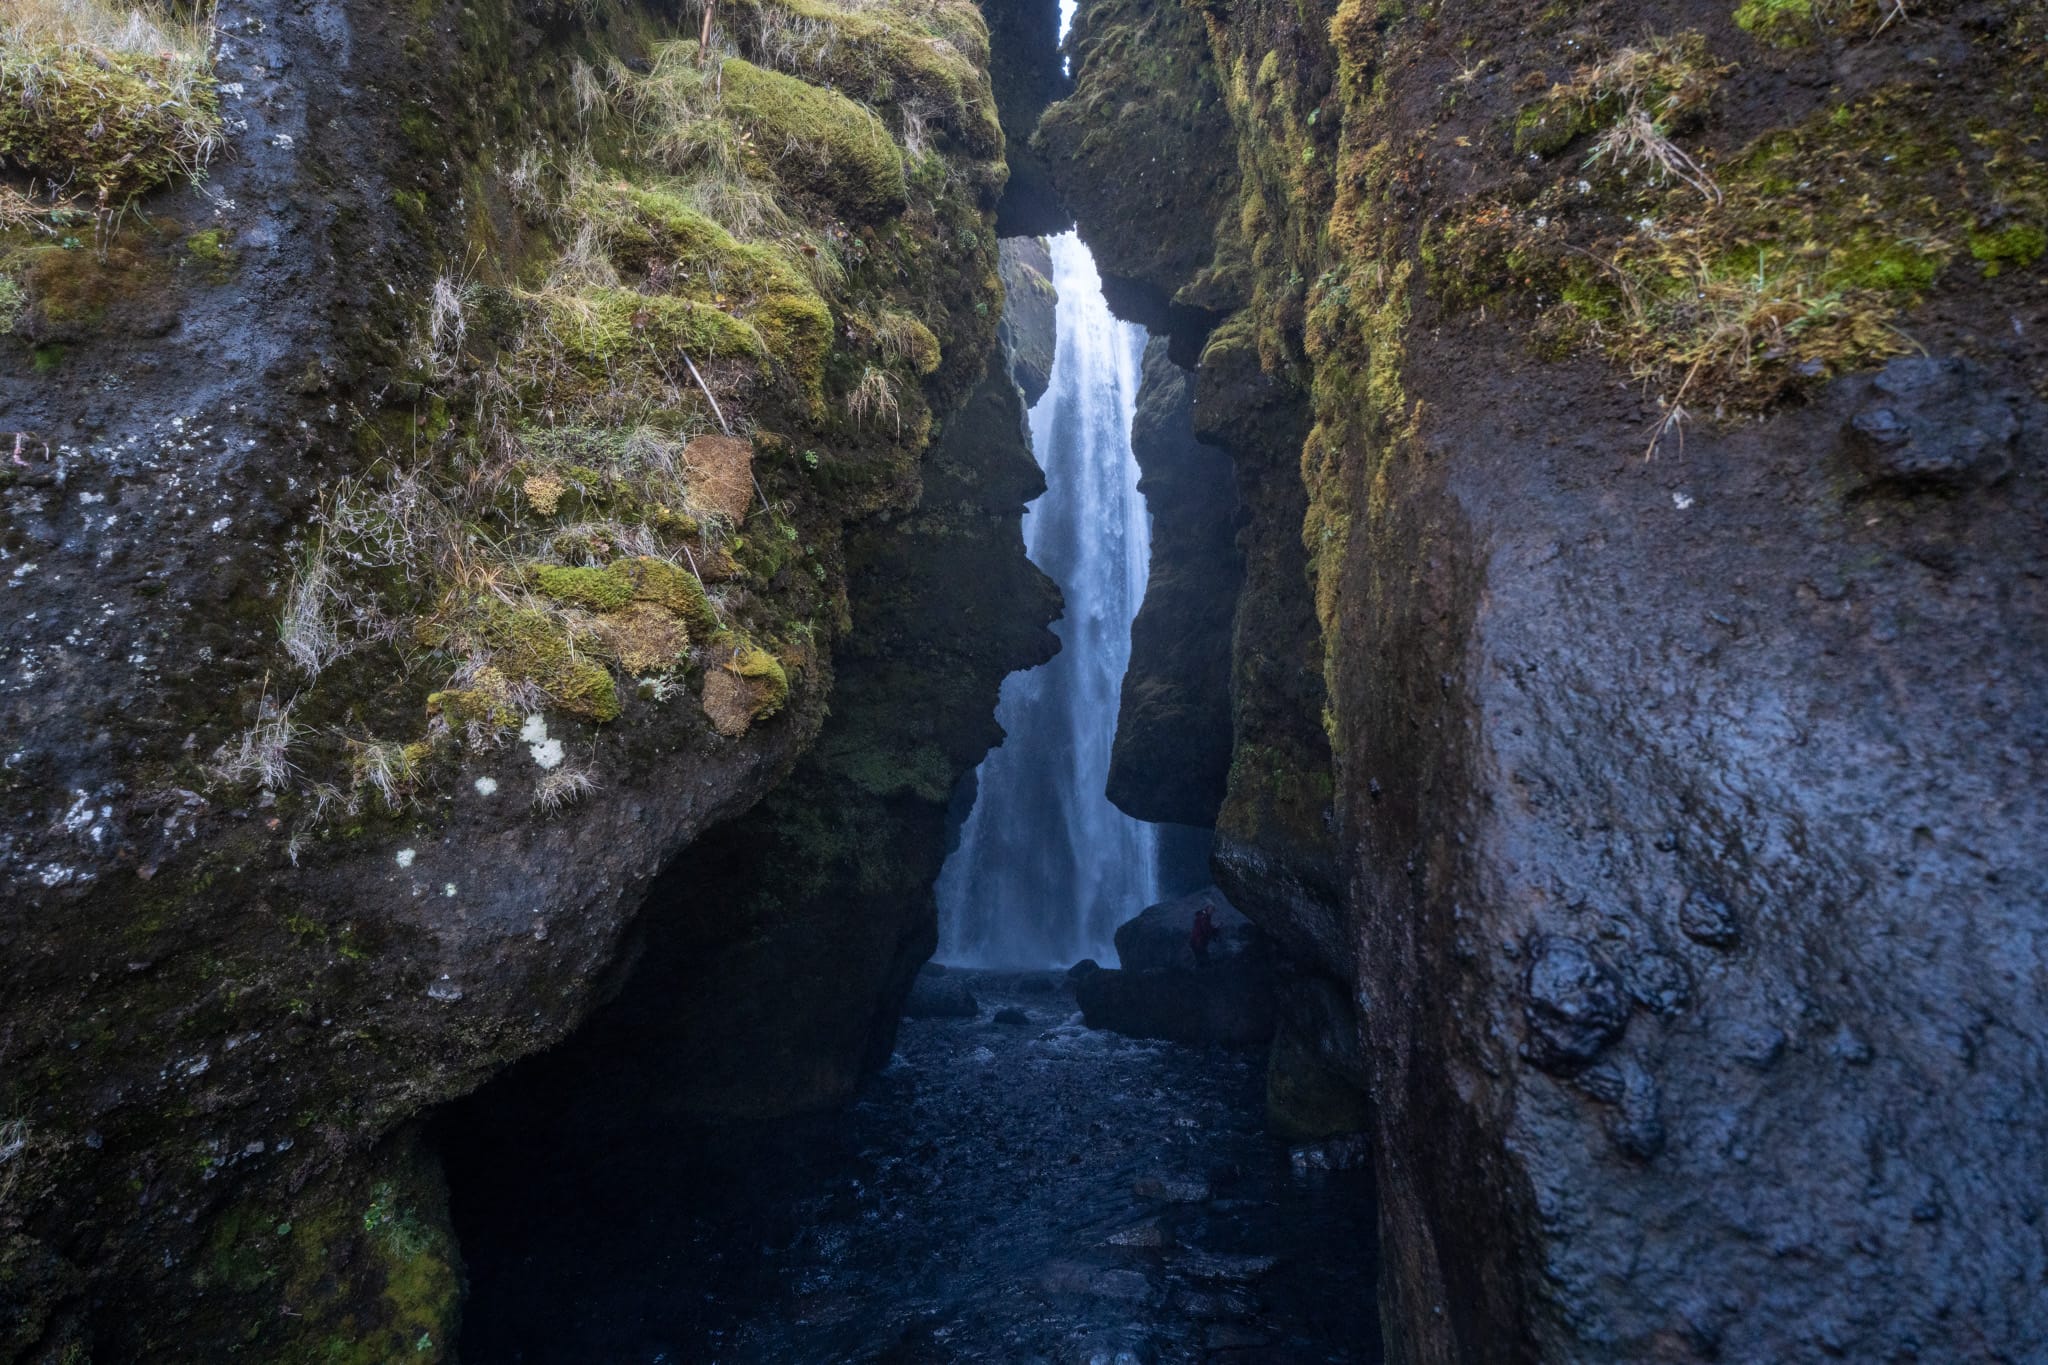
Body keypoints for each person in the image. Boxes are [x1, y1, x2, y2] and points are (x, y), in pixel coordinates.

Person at [1190, 903, 1219, 968]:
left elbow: (1204, 927)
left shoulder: (1202, 916)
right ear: (1208, 909)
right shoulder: (1204, 917)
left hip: (1196, 941)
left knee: (1201, 959)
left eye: (1213, 910)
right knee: (1203, 959)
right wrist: (1214, 930)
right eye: (1211, 910)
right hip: (1198, 941)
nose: (1212, 912)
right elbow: (1205, 929)